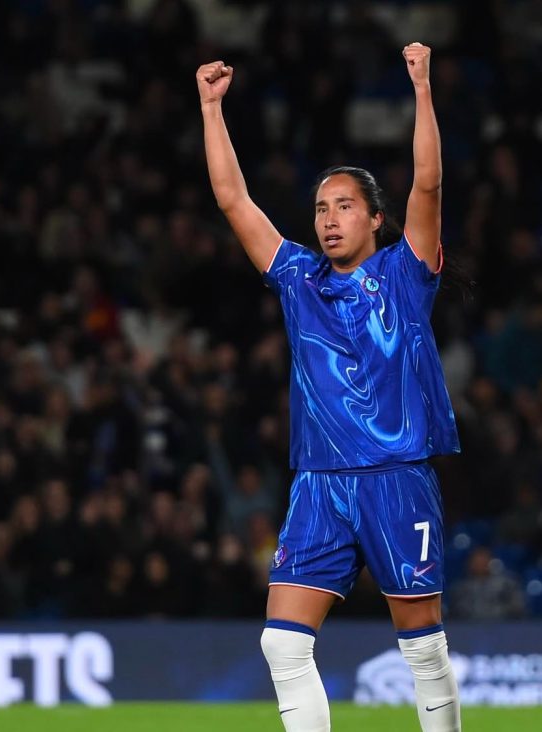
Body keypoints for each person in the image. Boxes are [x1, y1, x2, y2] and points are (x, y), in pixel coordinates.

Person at [197, 43, 462, 732]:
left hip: (395, 476)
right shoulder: (298, 279)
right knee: (281, 642)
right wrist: (211, 108)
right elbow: (232, 199)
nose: (329, 218)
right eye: (320, 207)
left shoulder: (407, 275)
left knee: (422, 646)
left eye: (345, 205)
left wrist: (423, 90)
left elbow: (428, 185)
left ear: (376, 219)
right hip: (318, 483)